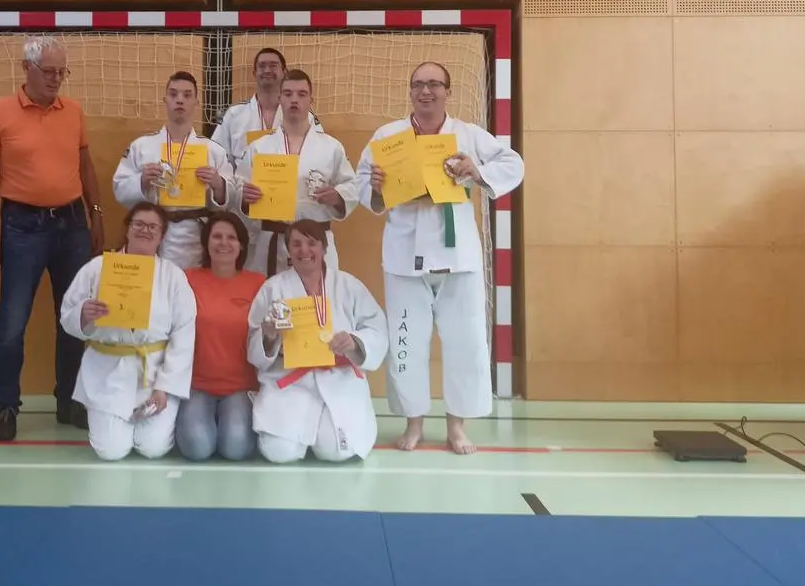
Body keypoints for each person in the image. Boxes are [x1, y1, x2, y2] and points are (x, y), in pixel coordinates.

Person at [355, 61, 524, 455]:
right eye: (418, 84)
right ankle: (413, 422)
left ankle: (456, 425)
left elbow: (514, 163)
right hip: (404, 256)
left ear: (448, 91)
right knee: (407, 343)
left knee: (466, 341)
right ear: (410, 91)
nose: (425, 91)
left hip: (458, 255)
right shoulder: (389, 137)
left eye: (434, 84)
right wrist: (376, 187)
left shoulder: (467, 134)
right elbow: (363, 184)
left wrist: (476, 170)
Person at [0, 36, 105, 442]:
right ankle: (7, 406)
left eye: (61, 72)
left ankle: (69, 400)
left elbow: (85, 166)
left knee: (75, 317)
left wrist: (96, 214)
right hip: (21, 227)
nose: (55, 79)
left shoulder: (74, 112)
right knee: (12, 321)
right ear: (26, 68)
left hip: (72, 224)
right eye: (48, 71)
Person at [60, 202, 197, 461]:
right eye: (139, 224)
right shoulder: (97, 268)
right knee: (111, 451)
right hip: (107, 373)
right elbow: (67, 315)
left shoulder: (173, 276)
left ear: (162, 235)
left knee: (152, 448)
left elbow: (184, 334)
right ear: (128, 228)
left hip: (154, 372)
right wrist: (83, 314)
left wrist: (164, 387)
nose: (145, 230)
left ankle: (156, 416)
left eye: (153, 227)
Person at [246, 220, 389, 463]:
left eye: (311, 243)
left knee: (337, 452)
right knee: (280, 453)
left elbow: (376, 327)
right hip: (290, 381)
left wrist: (354, 342)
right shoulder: (273, 288)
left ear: (324, 248)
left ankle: (319, 430)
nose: (304, 250)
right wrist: (268, 336)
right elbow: (253, 342)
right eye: (296, 244)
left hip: (339, 379)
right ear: (288, 250)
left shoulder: (348, 285)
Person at [235, 69, 357, 276]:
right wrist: (244, 197)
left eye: (301, 94)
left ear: (311, 101)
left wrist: (338, 196)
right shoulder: (260, 147)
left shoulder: (331, 147)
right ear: (280, 99)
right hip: (272, 241)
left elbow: (352, 185)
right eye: (288, 94)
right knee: (272, 294)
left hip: (315, 240)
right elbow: (238, 186)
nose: (294, 100)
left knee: (317, 294)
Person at [113, 71, 234, 269]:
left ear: (196, 102)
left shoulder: (213, 150)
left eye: (187, 95)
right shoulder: (141, 146)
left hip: (196, 234)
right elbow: (119, 188)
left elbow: (231, 198)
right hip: (153, 232)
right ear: (165, 100)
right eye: (173, 94)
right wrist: (142, 181)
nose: (180, 100)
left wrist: (218, 184)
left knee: (193, 284)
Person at [174, 212, 265, 461]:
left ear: (241, 245)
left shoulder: (258, 284)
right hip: (196, 385)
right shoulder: (187, 279)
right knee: (197, 448)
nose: (223, 243)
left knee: (236, 448)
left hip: (241, 386)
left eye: (231, 237)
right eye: (217, 236)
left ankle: (223, 420)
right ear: (206, 242)